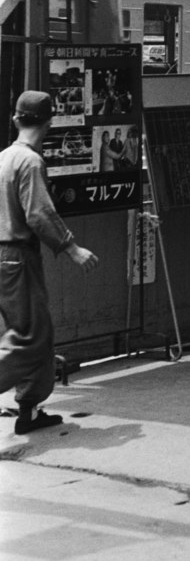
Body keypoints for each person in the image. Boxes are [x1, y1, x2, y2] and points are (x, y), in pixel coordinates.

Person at [0, 91, 99, 435]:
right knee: (30, 340)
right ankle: (26, 403)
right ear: (49, 122)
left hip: (5, 258)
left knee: (36, 333)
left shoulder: (2, 158)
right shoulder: (30, 162)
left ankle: (29, 410)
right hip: (17, 258)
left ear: (16, 120)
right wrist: (72, 248)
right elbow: (39, 214)